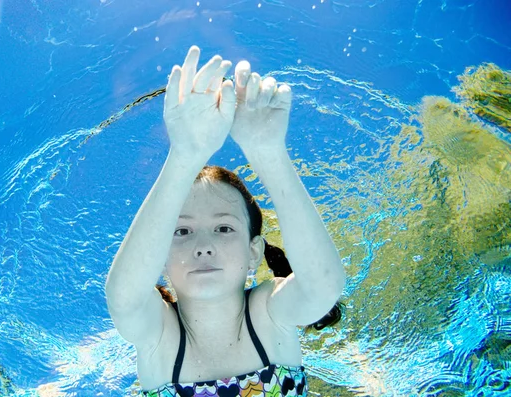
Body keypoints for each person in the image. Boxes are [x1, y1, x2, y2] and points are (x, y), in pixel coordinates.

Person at [105, 46, 346, 397]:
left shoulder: (268, 314)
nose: (204, 246)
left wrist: (268, 152)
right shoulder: (158, 332)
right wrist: (184, 153)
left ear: (254, 252)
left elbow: (321, 287)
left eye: (223, 228)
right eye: (182, 231)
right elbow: (123, 297)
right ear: (159, 255)